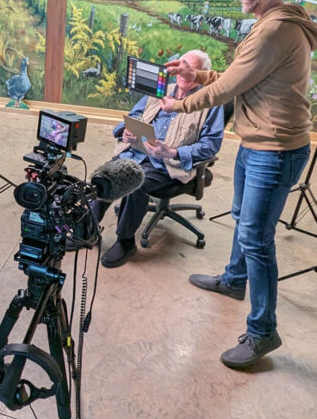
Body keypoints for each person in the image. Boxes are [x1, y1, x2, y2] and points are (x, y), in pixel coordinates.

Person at [163, 0, 317, 369]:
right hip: (258, 143)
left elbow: (225, 91)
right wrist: (194, 73)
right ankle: (235, 281)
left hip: (276, 149)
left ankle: (262, 332)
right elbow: (238, 76)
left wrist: (177, 105)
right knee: (242, 219)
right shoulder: (269, 25)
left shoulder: (273, 32)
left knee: (256, 238)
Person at [91, 50, 225, 268]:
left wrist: (172, 152)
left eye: (191, 69)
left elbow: (211, 145)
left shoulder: (210, 103)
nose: (183, 73)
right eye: (181, 66)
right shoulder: (160, 91)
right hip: (135, 151)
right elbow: (134, 114)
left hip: (167, 165)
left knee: (135, 183)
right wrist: (126, 130)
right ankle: (88, 226)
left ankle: (125, 242)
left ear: (203, 74)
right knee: (103, 176)